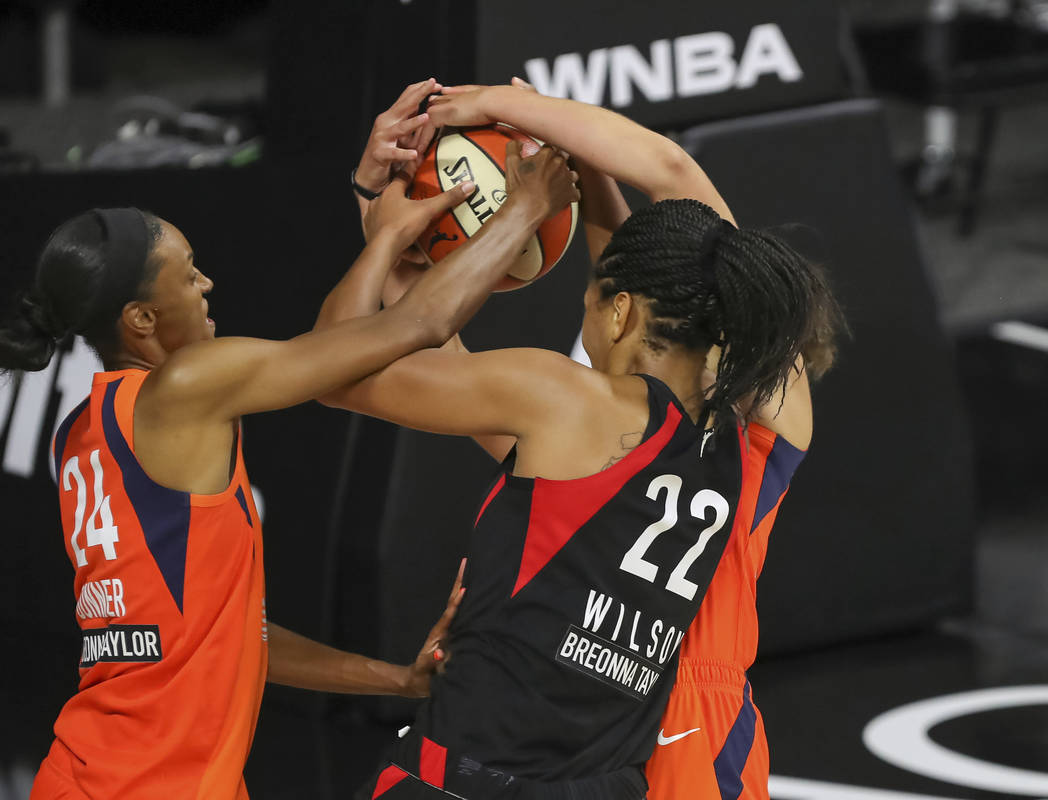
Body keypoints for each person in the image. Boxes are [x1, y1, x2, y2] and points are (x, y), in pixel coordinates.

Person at [0, 129, 579, 799]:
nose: (206, 282)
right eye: (187, 273)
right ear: (141, 319)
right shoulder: (183, 388)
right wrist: (525, 210)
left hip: (96, 775)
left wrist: (395, 680)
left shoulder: (83, 432)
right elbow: (415, 328)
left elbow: (227, 630)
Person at [319, 80, 844, 799]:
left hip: (597, 732)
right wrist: (570, 149)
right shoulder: (762, 434)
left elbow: (354, 367)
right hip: (666, 737)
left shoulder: (580, 418)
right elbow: (671, 222)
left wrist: (406, 217)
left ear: (623, 313)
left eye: (595, 300)